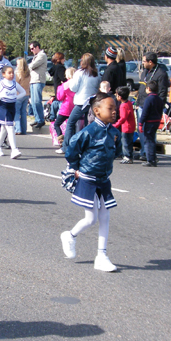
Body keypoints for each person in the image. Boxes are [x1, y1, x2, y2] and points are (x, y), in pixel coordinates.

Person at [60, 94, 120, 273]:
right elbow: (71, 149)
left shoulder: (115, 132)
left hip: (103, 179)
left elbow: (116, 152)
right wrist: (76, 168)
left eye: (115, 108)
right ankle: (70, 236)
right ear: (97, 111)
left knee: (104, 216)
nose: (114, 111)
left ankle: (101, 255)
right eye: (110, 108)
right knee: (91, 218)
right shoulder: (88, 131)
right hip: (87, 178)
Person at [0, 65, 25, 159]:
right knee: (10, 128)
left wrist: (16, 98)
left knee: (4, 128)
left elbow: (23, 92)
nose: (11, 75)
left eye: (12, 72)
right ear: (3, 74)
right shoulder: (0, 84)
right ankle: (14, 150)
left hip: (12, 107)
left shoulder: (15, 84)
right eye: (9, 73)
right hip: (3, 107)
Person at [62, 53, 102, 149]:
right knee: (88, 124)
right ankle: (86, 145)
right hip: (92, 101)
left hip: (81, 102)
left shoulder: (79, 73)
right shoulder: (97, 74)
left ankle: (66, 146)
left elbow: (73, 88)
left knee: (71, 122)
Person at [138, 80, 165, 167]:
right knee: (152, 140)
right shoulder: (159, 99)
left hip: (149, 122)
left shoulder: (148, 99)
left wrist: (140, 123)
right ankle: (153, 157)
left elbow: (145, 112)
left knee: (148, 141)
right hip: (156, 121)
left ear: (148, 89)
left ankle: (150, 159)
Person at [53, 67, 77, 154]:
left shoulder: (65, 85)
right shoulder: (77, 84)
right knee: (72, 126)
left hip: (65, 108)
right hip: (74, 107)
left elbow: (60, 97)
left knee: (57, 124)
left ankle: (60, 138)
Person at [28, 41, 48, 129]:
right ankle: (37, 118)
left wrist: (28, 66)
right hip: (33, 80)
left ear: (37, 47)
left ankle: (41, 120)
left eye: (32, 48)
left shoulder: (42, 55)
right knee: (33, 101)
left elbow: (32, 66)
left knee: (37, 101)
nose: (31, 50)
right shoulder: (35, 56)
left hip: (38, 80)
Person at [14, 56, 31, 135]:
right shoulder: (28, 74)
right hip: (26, 94)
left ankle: (17, 129)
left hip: (18, 94)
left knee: (16, 112)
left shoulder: (18, 74)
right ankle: (24, 129)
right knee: (23, 112)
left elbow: (15, 84)